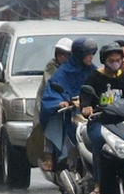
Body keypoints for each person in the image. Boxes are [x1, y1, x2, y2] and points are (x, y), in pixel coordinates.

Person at [80, 43, 124, 194]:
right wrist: (86, 107)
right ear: (104, 61)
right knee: (99, 142)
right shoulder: (95, 77)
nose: (115, 63)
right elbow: (85, 95)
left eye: (118, 59)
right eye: (111, 60)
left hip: (123, 125)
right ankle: (98, 183)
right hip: (100, 123)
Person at [40, 38, 98, 173]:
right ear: (79, 55)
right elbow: (53, 91)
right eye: (87, 54)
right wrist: (61, 102)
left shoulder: (93, 71)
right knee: (58, 120)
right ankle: (52, 155)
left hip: (88, 112)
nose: (90, 58)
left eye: (92, 54)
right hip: (69, 113)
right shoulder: (62, 72)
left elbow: (101, 87)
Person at [28, 37, 72, 169]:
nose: (63, 58)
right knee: (54, 122)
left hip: (73, 104)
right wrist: (60, 102)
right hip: (52, 104)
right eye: (60, 54)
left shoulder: (78, 68)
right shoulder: (51, 68)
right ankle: (49, 155)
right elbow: (52, 86)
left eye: (66, 55)